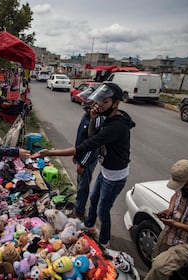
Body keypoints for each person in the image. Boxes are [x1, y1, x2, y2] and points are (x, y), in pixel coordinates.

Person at [32, 82, 135, 247]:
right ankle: (89, 226)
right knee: (94, 199)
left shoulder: (116, 126)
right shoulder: (108, 119)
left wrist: (50, 152)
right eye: (99, 101)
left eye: (105, 101)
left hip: (115, 175)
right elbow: (91, 136)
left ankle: (104, 242)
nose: (100, 105)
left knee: (103, 209)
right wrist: (94, 120)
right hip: (107, 170)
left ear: (116, 103)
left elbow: (85, 146)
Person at [131, 159, 188, 280]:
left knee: (160, 266)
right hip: (172, 231)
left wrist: (178, 225)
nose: (181, 189)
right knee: (156, 257)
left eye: (184, 185)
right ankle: (158, 279)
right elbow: (175, 196)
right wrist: (170, 210)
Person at [72, 94, 105, 219]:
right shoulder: (86, 116)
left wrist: (83, 164)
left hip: (88, 160)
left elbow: (93, 146)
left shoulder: (96, 120)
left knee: (83, 187)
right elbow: (80, 137)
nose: (85, 101)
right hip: (81, 156)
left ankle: (79, 211)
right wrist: (76, 154)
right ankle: (78, 205)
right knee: (80, 183)